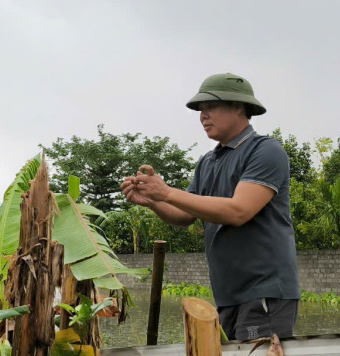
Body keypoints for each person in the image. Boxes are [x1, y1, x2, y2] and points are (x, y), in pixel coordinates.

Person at [122, 72, 301, 342]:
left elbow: (238, 211)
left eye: (211, 107)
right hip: (228, 294)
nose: (203, 115)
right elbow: (184, 216)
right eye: (200, 109)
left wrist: (167, 191)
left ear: (239, 107)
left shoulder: (265, 151)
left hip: (265, 291)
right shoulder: (208, 161)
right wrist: (154, 202)